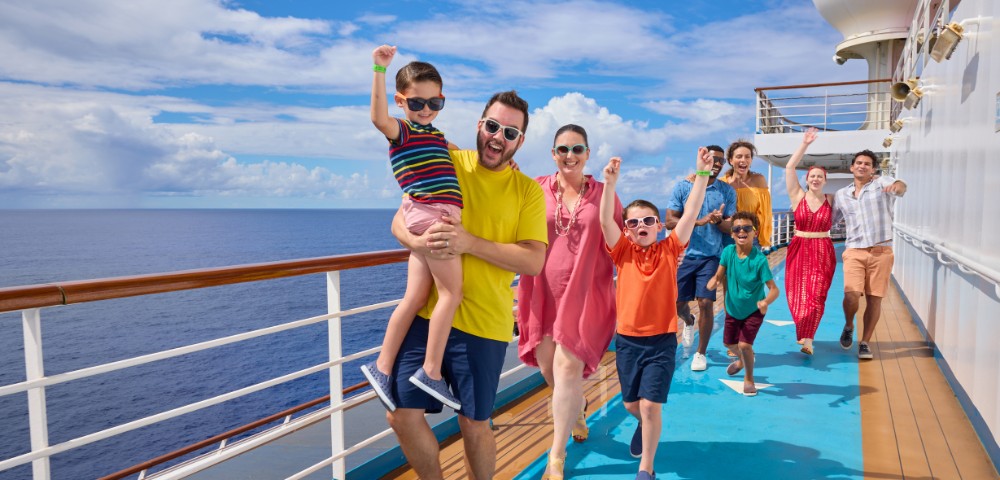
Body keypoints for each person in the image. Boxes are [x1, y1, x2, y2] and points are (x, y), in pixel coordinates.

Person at [386, 91, 547, 480]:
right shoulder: (447, 161)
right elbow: (399, 220)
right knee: (400, 415)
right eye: (492, 126)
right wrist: (417, 242)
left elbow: (533, 260)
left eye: (510, 133)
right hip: (428, 315)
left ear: (520, 141)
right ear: (480, 125)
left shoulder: (528, 191)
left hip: (483, 324)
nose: (498, 138)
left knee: (474, 424)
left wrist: (470, 242)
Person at [600, 149, 714, 480]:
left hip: (662, 341)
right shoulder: (621, 252)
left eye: (648, 220)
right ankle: (644, 426)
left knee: (651, 406)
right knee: (632, 406)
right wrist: (610, 184)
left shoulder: (670, 249)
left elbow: (691, 212)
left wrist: (702, 175)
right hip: (627, 342)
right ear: (627, 229)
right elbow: (606, 220)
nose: (640, 226)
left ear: (659, 225)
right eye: (633, 222)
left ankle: (645, 469)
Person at [516, 124, 622, 479]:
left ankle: (556, 457)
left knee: (566, 370)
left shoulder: (603, 192)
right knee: (550, 369)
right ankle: (577, 407)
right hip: (541, 290)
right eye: (563, 149)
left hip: (586, 293)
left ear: (587, 154)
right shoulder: (534, 188)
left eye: (577, 149)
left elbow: (617, 239)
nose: (570, 156)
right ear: (553, 154)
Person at [362, 45, 464, 411]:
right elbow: (377, 118)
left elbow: (466, 157)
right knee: (451, 294)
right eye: (417, 103)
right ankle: (431, 371)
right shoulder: (401, 131)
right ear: (401, 102)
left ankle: (382, 366)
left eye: (434, 104)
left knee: (416, 297)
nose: (425, 111)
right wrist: (379, 68)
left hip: (424, 216)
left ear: (441, 101)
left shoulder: (436, 137)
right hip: (431, 217)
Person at [832, 150, 907, 359]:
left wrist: (897, 187)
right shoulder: (841, 195)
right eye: (858, 163)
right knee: (851, 295)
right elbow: (830, 221)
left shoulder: (883, 183)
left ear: (873, 169)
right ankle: (849, 324)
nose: (862, 166)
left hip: (881, 251)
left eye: (867, 164)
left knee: (875, 300)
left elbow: (901, 187)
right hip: (854, 250)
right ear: (852, 167)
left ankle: (865, 342)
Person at [666, 149, 737, 370]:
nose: (716, 163)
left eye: (720, 160)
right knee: (677, 305)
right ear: (702, 161)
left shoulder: (727, 191)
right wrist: (698, 221)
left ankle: (700, 353)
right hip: (684, 255)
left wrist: (716, 221)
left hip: (711, 257)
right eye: (711, 159)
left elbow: (730, 228)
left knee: (706, 302)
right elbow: (669, 221)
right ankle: (688, 320)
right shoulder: (683, 187)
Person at [706, 211, 780, 396]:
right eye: (737, 228)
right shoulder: (728, 251)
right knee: (729, 344)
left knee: (745, 345)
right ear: (731, 233)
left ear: (754, 232)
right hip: (732, 308)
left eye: (747, 228)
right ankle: (742, 361)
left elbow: (774, 289)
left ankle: (749, 378)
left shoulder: (759, 260)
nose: (741, 231)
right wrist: (714, 281)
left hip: (753, 310)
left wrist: (765, 302)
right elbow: (719, 274)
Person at [783, 128, 836, 355]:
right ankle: (803, 331)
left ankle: (809, 340)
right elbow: (789, 167)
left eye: (819, 177)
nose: (815, 179)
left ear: (825, 181)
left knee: (816, 295)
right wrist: (804, 144)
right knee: (797, 294)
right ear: (807, 179)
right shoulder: (797, 197)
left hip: (823, 249)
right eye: (812, 176)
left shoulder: (832, 199)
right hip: (799, 248)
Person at [719, 140, 774, 253]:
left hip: (750, 238)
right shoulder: (721, 183)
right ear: (731, 160)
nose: (743, 160)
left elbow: (765, 213)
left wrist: (762, 237)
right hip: (726, 238)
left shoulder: (759, 180)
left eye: (747, 157)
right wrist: (698, 175)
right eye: (739, 156)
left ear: (751, 160)